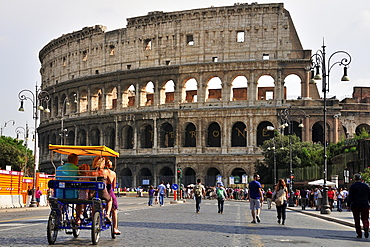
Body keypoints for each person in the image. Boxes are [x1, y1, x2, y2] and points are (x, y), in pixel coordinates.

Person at [346, 173, 370, 238]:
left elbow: (350, 197)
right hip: (365, 204)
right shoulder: (366, 186)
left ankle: (359, 233)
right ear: (361, 179)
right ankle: (366, 226)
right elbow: (369, 196)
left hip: (355, 205)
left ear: (354, 179)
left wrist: (348, 205)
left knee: (357, 219)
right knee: (365, 218)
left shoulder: (353, 186)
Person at [104, 158, 121, 235]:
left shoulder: (98, 172)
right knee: (114, 210)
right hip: (109, 192)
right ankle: (115, 228)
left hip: (97, 192)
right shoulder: (113, 173)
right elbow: (113, 186)